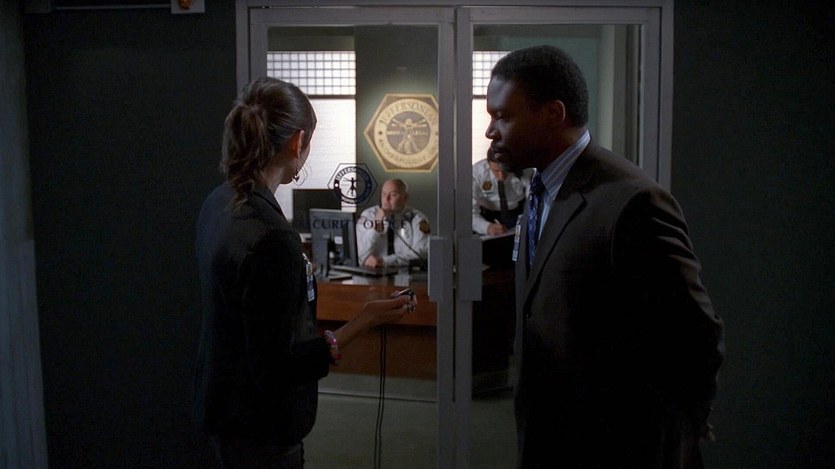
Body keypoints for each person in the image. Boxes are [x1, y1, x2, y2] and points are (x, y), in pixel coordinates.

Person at [485, 45, 725, 468]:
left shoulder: (632, 201)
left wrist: (676, 432)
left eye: (503, 116)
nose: (491, 131)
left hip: (615, 444)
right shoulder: (541, 190)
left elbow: (694, 333)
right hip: (549, 432)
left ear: (552, 114)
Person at [194, 77, 415, 468]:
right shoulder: (272, 237)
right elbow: (280, 365)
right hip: (260, 429)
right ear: (298, 143)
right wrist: (364, 321)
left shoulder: (219, 202)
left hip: (222, 411)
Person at [356, 178, 430, 269]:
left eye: (393, 195)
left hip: (406, 273)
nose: (386, 199)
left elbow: (423, 252)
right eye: (384, 194)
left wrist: (386, 261)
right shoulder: (368, 215)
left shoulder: (417, 218)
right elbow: (359, 253)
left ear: (405, 198)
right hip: (372, 272)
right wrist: (375, 228)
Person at [472, 148, 532, 236]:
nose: (501, 176)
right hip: (488, 216)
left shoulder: (522, 169)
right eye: (496, 171)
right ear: (488, 163)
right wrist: (487, 227)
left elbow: (532, 197)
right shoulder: (477, 174)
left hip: (519, 213)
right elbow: (469, 212)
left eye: (505, 170)